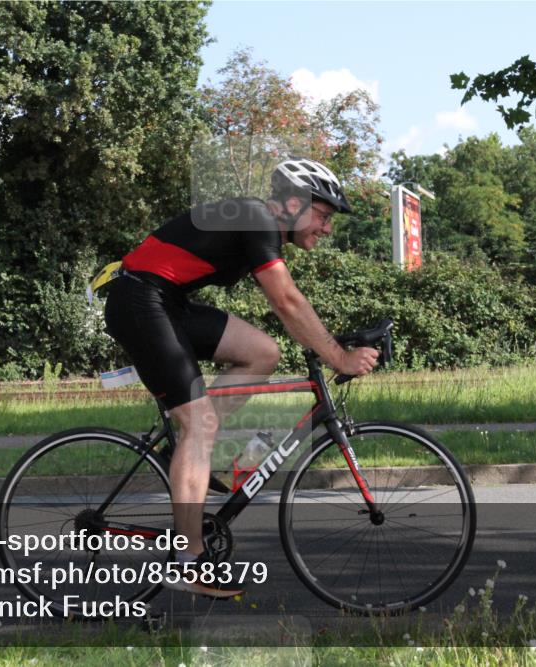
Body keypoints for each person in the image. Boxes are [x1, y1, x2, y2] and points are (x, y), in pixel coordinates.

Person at [103, 157, 379, 597]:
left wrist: (331, 346)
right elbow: (286, 301)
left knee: (262, 353)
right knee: (200, 426)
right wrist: (339, 358)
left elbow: (287, 310)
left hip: (164, 300)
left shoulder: (259, 224)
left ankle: (197, 451)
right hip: (140, 300)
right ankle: (187, 561)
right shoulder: (256, 218)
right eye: (323, 216)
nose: (327, 229)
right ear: (293, 203)